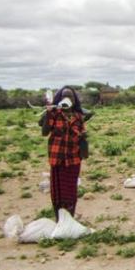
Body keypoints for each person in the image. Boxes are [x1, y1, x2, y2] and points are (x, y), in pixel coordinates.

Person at [39, 86, 91, 218]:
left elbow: (83, 131)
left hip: (74, 158)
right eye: (64, 96)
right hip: (58, 158)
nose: (67, 99)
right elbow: (44, 132)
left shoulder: (78, 116)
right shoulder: (54, 114)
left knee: (70, 190)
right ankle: (59, 218)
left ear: (74, 99)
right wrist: (49, 112)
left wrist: (83, 136)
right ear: (60, 99)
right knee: (58, 192)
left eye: (70, 96)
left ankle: (70, 217)